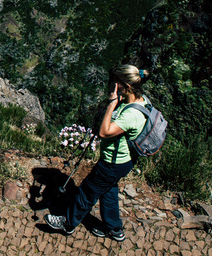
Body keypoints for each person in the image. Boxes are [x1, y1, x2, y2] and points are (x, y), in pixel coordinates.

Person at [45, 64, 150, 242]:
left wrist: (111, 104)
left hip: (112, 163)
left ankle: (67, 223)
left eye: (115, 83)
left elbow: (103, 133)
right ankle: (114, 229)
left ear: (127, 86)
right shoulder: (141, 101)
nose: (112, 86)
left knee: (87, 191)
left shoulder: (131, 114)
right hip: (124, 161)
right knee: (108, 191)